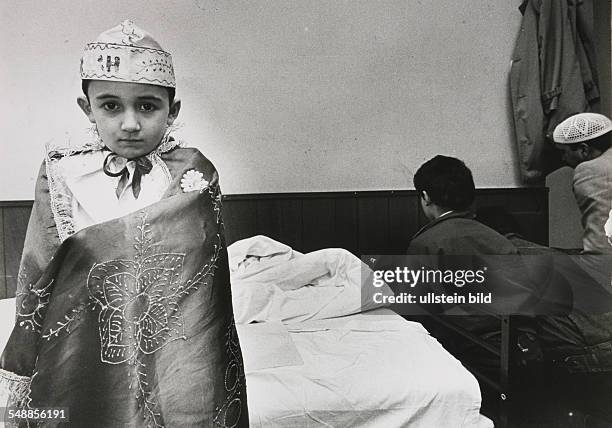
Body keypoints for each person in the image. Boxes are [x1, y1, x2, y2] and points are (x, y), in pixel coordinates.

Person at [0, 20, 248, 427]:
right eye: (111, 105)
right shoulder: (63, 175)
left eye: (147, 106)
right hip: (83, 338)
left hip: (173, 341)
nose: (130, 123)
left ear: (173, 111)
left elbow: (202, 282)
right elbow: (40, 270)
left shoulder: (194, 173)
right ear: (88, 108)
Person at [553, 112, 612, 255]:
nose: (563, 158)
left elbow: (600, 244)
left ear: (584, 150)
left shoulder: (593, 170)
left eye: (564, 152)